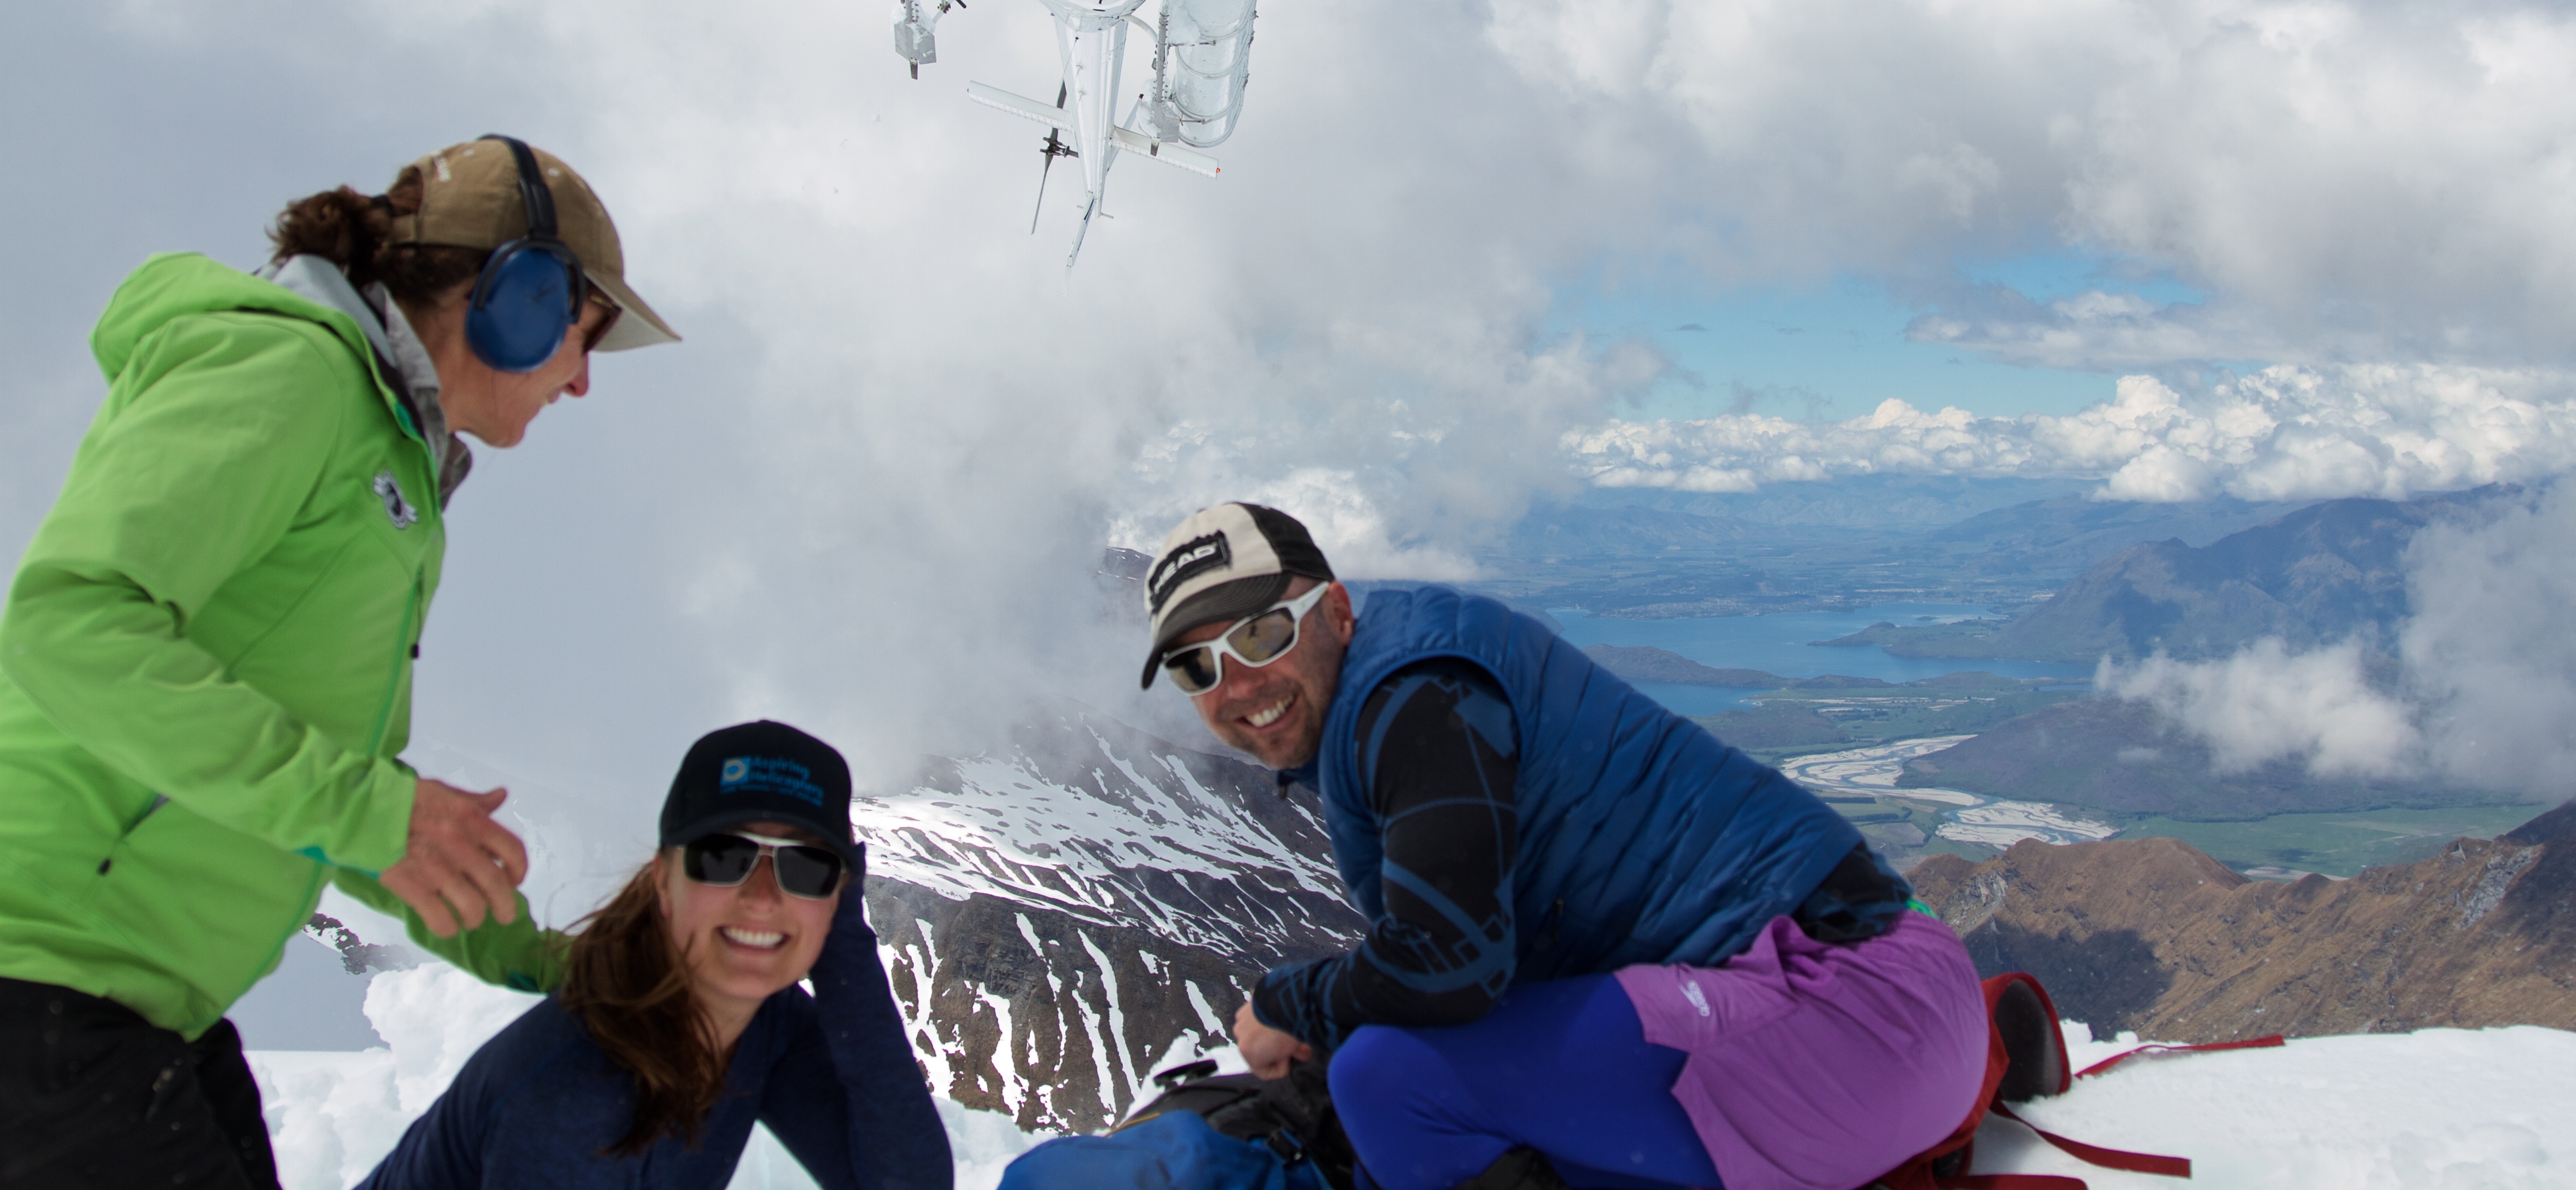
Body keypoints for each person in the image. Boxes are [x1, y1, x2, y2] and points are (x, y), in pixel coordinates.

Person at [0, 136, 678, 1190]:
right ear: (521, 300)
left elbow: (329, 790)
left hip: (132, 1014)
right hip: (37, 990)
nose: (583, 383)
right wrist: (371, 812)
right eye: (583, 336)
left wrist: (541, 961)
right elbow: (67, 620)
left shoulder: (389, 457)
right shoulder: (292, 371)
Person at [1138, 503, 1989, 1190]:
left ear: (1333, 609)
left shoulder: (1412, 699)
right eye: (1195, 667)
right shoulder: (1389, 676)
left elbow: (1449, 965)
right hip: (1886, 1001)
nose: (1237, 684)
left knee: (1383, 1082)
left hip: (1858, 1022)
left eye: (1259, 635)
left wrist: (1291, 1001)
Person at [359, 720, 953, 1190]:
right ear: (663, 882)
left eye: (806, 868)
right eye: (724, 858)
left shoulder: (762, 1024)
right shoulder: (575, 1100)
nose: (765, 898)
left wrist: (838, 938)